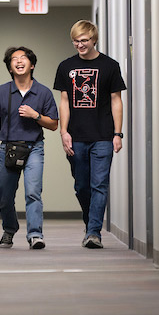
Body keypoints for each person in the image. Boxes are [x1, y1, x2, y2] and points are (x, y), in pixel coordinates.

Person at [0, 46, 59, 249]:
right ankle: (9, 229)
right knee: (4, 195)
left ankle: (35, 235)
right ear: (10, 67)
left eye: (24, 58)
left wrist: (36, 115)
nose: (19, 61)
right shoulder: (1, 92)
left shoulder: (43, 92)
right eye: (14, 59)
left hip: (34, 148)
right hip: (8, 148)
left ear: (32, 65)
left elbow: (54, 124)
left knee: (33, 192)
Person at [53, 20, 126, 249]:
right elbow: (64, 102)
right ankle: (89, 222)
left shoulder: (110, 66)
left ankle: (94, 232)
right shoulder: (66, 66)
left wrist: (118, 133)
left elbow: (116, 101)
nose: (80, 45)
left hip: (103, 135)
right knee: (81, 186)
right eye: (76, 41)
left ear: (94, 39)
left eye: (84, 40)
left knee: (99, 184)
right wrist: (64, 132)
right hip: (76, 136)